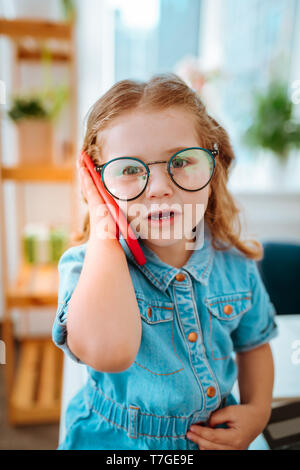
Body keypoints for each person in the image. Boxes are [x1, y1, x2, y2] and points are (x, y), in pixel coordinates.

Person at [52, 73, 278, 450]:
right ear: (96, 181)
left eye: (181, 161)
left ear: (211, 166)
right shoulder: (86, 267)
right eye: (129, 170)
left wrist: (259, 411)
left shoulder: (236, 265)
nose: (158, 187)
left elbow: (254, 343)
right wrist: (105, 227)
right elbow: (109, 353)